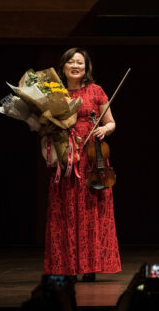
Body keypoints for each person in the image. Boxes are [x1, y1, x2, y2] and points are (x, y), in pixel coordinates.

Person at [44, 47, 121, 281]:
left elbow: (111, 123)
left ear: (86, 68)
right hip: (66, 157)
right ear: (63, 66)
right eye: (71, 62)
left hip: (91, 158)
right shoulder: (54, 92)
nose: (76, 66)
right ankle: (67, 267)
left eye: (80, 63)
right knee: (65, 210)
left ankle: (90, 267)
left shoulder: (96, 91)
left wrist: (104, 129)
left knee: (91, 211)